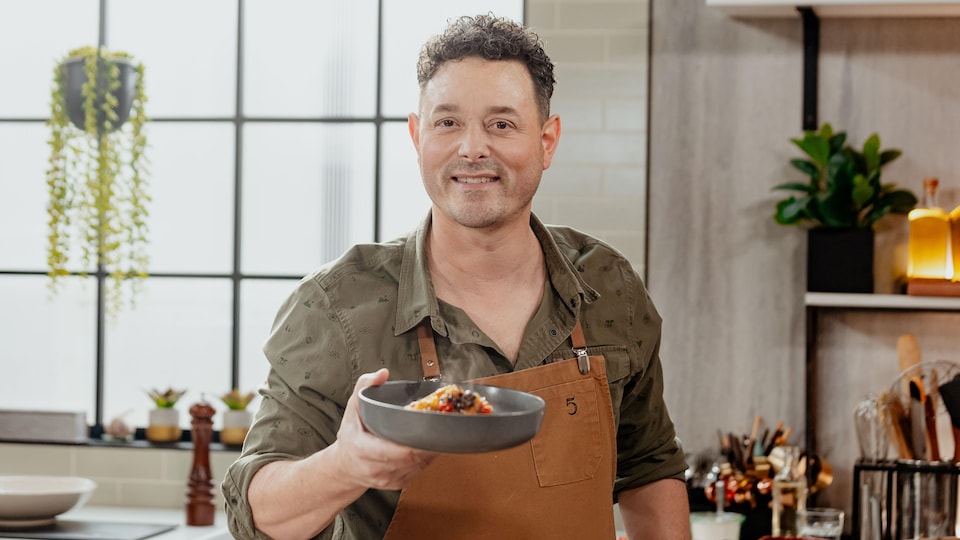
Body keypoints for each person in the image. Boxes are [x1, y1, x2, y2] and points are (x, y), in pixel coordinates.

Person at [222, 13, 690, 540]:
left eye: (501, 124)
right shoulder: (337, 304)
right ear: (417, 136)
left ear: (547, 141)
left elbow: (649, 468)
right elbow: (255, 514)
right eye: (447, 123)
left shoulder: (610, 285)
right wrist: (345, 466)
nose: (472, 148)